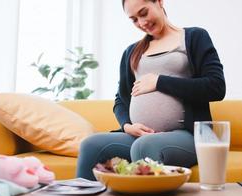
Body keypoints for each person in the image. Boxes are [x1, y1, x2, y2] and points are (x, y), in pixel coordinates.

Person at [76, 0, 225, 180]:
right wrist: (127, 126)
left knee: (145, 146)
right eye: (134, 19)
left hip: (186, 135)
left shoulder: (194, 37)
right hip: (140, 137)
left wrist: (159, 81)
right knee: (90, 145)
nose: (141, 23)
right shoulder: (132, 52)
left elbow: (216, 86)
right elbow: (120, 101)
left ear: (160, 2)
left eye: (144, 13)